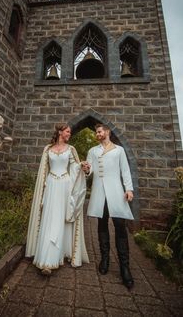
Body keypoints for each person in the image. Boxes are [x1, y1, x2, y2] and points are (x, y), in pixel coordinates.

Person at [26, 123, 89, 275]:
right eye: (67, 131)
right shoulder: (47, 149)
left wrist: (83, 166)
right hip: (52, 185)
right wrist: (42, 189)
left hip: (65, 186)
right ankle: (46, 260)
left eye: (69, 132)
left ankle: (57, 255)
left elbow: (74, 167)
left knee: (61, 219)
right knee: (49, 219)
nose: (69, 134)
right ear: (60, 132)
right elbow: (44, 171)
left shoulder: (71, 149)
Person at [82, 123, 134, 289]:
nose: (97, 134)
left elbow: (125, 170)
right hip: (99, 193)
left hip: (117, 192)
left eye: (99, 131)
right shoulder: (92, 151)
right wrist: (86, 168)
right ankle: (105, 259)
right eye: (96, 132)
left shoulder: (119, 150)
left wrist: (129, 189)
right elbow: (89, 171)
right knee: (102, 224)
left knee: (120, 226)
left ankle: (124, 267)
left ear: (107, 132)